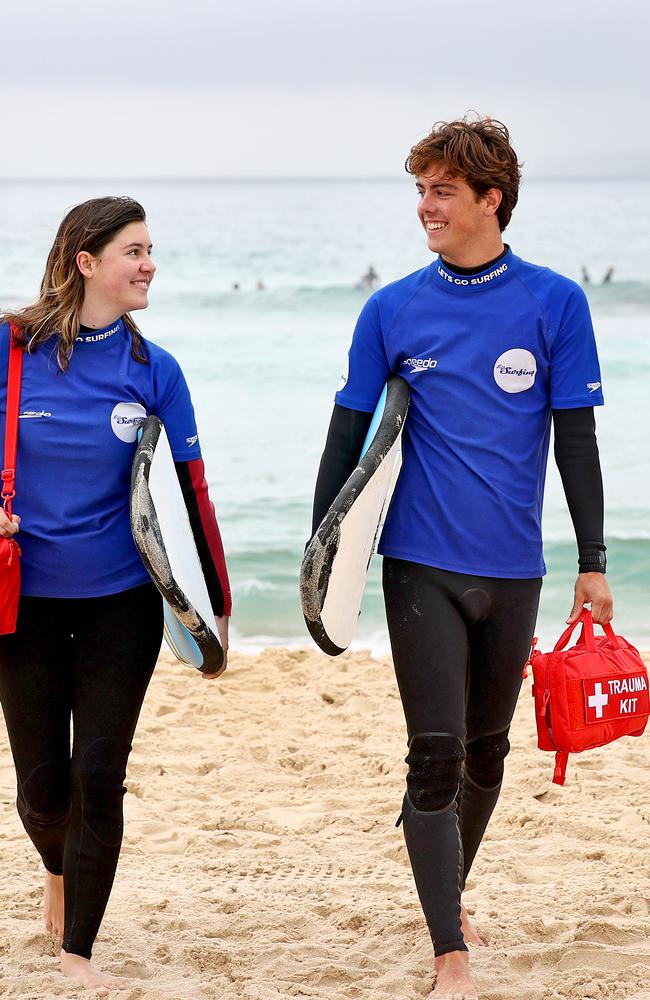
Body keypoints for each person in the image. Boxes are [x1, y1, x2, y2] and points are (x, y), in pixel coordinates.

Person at [310, 117, 612, 1000]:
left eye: (442, 190)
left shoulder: (555, 302)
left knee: (488, 754)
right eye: (420, 190)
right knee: (434, 755)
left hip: (515, 566)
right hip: (421, 564)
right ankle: (451, 953)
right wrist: (322, 548)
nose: (425, 206)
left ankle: (447, 892)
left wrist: (593, 559)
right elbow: (348, 435)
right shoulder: (392, 307)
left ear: (492, 199)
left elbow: (578, 442)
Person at [0, 197, 231, 994]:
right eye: (133, 250)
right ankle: (56, 871)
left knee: (99, 773)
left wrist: (214, 609)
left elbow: (190, 496)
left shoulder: (153, 370)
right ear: (85, 261)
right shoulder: (9, 351)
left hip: (120, 604)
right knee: (42, 786)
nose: (149, 264)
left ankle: (78, 955)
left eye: (151, 248)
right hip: (21, 603)